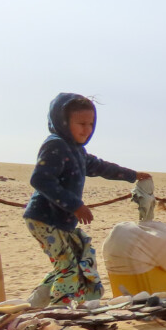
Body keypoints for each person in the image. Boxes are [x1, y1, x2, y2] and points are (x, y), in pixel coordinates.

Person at [23, 93, 151, 306]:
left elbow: (101, 167)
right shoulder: (56, 145)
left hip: (60, 221)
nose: (87, 129)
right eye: (81, 123)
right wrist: (76, 206)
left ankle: (36, 305)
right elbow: (40, 179)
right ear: (63, 122)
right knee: (68, 268)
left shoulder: (77, 151)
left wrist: (132, 175)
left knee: (72, 264)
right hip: (44, 218)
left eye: (91, 124)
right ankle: (61, 314)